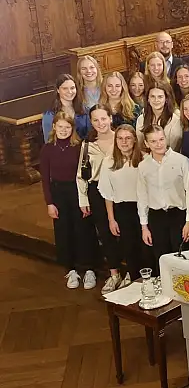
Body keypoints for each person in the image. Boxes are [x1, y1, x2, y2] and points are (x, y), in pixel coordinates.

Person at [40, 112, 96, 289]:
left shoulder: (79, 147)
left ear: (72, 129)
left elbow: (84, 176)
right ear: (54, 126)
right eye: (60, 126)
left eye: (67, 127)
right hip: (58, 193)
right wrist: (50, 203)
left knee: (83, 229)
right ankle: (70, 269)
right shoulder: (47, 149)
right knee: (63, 231)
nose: (63, 130)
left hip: (77, 191)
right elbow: (45, 178)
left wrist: (85, 199)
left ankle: (89, 269)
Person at [137, 126, 189, 274]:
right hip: (156, 216)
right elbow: (142, 196)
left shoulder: (182, 161)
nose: (159, 144)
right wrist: (144, 226)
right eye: (154, 141)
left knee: (182, 257)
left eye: (161, 139)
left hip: (178, 215)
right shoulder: (143, 166)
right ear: (146, 143)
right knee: (161, 257)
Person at [77, 105, 123, 293]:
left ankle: (131, 272)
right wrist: (83, 199)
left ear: (110, 118)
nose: (100, 123)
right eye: (95, 120)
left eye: (103, 119)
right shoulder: (87, 144)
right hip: (97, 191)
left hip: (122, 189)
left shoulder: (122, 138)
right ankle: (114, 274)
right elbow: (81, 174)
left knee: (126, 229)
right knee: (105, 232)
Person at [99, 124, 147, 287]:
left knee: (145, 248)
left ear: (134, 140)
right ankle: (134, 282)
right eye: (120, 138)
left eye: (128, 138)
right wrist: (111, 220)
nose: (124, 142)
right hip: (123, 210)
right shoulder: (109, 162)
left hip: (144, 209)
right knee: (129, 248)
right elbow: (108, 194)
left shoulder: (144, 159)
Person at [42, 74, 90, 142]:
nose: (70, 92)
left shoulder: (85, 110)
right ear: (58, 90)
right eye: (65, 88)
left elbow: (90, 135)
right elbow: (49, 141)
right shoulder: (49, 115)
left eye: (72, 88)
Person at [136, 84, 183, 151]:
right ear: (148, 99)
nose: (156, 100)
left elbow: (174, 148)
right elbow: (141, 145)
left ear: (166, 99)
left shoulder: (175, 121)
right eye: (152, 96)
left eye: (160, 97)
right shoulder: (141, 119)